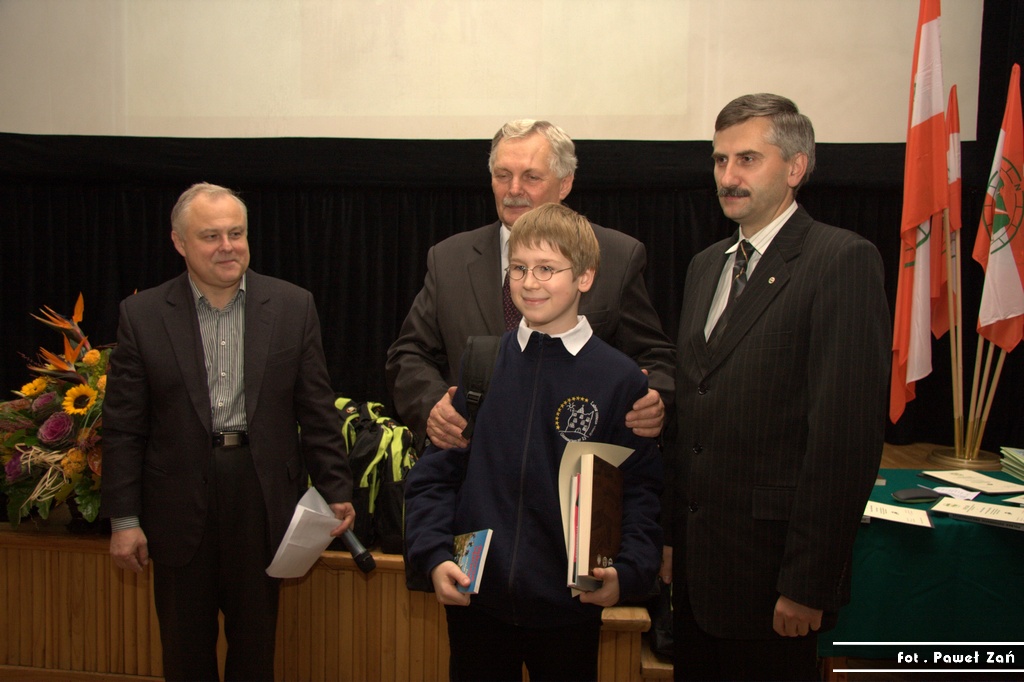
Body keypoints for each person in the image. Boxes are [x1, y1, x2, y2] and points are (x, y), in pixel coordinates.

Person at [664, 94, 890, 680]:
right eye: (720, 160)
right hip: (697, 576)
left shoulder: (841, 260)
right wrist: (670, 541)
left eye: (747, 159)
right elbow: (694, 414)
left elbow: (844, 440)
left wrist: (809, 584)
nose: (727, 177)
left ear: (795, 168)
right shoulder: (705, 266)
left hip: (774, 582)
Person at [101, 183, 355, 681]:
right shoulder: (143, 315)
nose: (227, 246)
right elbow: (124, 427)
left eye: (236, 234)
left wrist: (336, 489)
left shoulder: (292, 306)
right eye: (210, 236)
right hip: (176, 505)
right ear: (179, 243)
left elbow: (317, 411)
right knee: (184, 653)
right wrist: (124, 520)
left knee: (255, 652)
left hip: (261, 499)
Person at [404, 203, 663, 681]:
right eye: (519, 268)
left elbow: (640, 491)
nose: (529, 282)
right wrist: (434, 556)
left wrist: (627, 571)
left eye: (546, 269)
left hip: (568, 610)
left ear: (585, 277)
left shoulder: (619, 379)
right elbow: (436, 476)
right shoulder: (481, 362)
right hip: (476, 603)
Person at [385, 119, 675, 451]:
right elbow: (408, 354)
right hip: (472, 461)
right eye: (502, 175)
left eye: (531, 177)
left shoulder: (616, 256)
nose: (513, 190)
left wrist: (654, 401)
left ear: (565, 184)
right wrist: (434, 407)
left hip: (571, 462)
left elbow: (655, 356)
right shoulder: (449, 259)